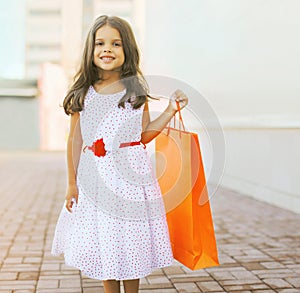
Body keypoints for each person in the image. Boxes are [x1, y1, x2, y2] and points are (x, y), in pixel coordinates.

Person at [51, 15, 188, 293]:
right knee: (106, 239)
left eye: (116, 44)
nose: (107, 49)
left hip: (131, 178)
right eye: (100, 43)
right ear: (90, 50)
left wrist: (171, 110)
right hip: (96, 181)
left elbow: (144, 134)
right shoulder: (82, 94)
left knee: (129, 238)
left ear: (127, 51)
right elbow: (75, 140)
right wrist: (72, 183)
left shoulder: (134, 92)